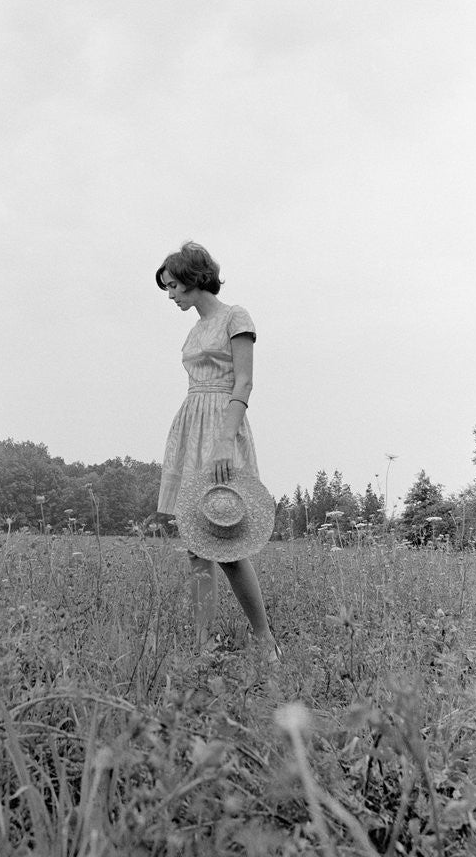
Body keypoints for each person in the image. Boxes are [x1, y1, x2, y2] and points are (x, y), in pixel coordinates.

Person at [156, 241, 279, 661]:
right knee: (196, 542)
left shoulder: (234, 317)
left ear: (194, 279)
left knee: (228, 542)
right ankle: (203, 646)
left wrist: (225, 439)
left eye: (173, 286)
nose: (170, 295)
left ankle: (265, 640)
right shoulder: (193, 330)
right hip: (191, 424)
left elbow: (243, 383)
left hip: (223, 425)